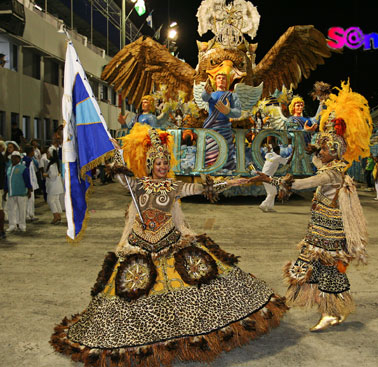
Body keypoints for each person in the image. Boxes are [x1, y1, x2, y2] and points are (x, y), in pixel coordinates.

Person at [51, 124, 288, 366]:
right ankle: (142, 338)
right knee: (132, 293)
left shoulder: (174, 187)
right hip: (139, 246)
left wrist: (237, 182)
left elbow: (205, 188)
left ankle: (182, 336)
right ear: (150, 165)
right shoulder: (138, 185)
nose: (163, 168)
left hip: (170, 243)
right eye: (158, 164)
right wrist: (116, 152)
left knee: (192, 284)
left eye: (165, 164)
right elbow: (121, 176)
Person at [252, 81, 372, 331]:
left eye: (326, 148)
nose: (322, 151)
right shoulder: (329, 166)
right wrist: (322, 122)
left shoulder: (332, 175)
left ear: (336, 152)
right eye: (322, 147)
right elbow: (317, 160)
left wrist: (268, 179)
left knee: (329, 272)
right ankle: (327, 308)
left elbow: (300, 183)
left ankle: (331, 312)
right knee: (313, 266)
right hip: (318, 230)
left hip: (329, 234)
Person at [202, 73, 242, 170]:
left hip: (225, 128)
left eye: (223, 78)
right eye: (218, 78)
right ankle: (211, 168)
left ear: (227, 81)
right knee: (211, 151)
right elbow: (205, 98)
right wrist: (205, 93)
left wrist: (229, 111)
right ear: (215, 81)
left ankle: (227, 169)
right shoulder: (212, 95)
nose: (221, 80)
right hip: (212, 128)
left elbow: (238, 112)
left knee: (226, 151)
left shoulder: (232, 95)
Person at [5, 151, 32, 232]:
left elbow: (27, 180)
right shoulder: (9, 168)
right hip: (11, 193)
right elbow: (7, 180)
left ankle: (22, 225)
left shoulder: (23, 168)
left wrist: (29, 190)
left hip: (21, 193)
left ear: (19, 159)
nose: (13, 159)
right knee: (11, 210)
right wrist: (5, 190)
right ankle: (12, 225)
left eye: (15, 157)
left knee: (22, 210)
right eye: (12, 157)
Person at [258, 145, 291, 212]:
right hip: (267, 177)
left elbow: (268, 155)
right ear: (278, 150)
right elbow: (287, 162)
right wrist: (292, 153)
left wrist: (269, 150)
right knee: (273, 192)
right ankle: (263, 205)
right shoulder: (278, 157)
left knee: (271, 192)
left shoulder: (269, 154)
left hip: (263, 175)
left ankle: (270, 207)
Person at [42, 147, 63, 224]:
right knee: (56, 200)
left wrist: (46, 175)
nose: (46, 154)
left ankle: (56, 216)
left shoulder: (52, 165)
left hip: (53, 187)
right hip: (56, 186)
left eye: (47, 153)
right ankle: (58, 216)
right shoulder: (55, 164)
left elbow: (53, 175)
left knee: (50, 201)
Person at [22, 145, 39, 221]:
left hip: (32, 182)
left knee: (31, 200)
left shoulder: (30, 160)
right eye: (33, 151)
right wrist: (28, 185)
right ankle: (27, 215)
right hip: (29, 183)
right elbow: (27, 173)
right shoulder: (26, 161)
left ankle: (31, 214)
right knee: (28, 200)